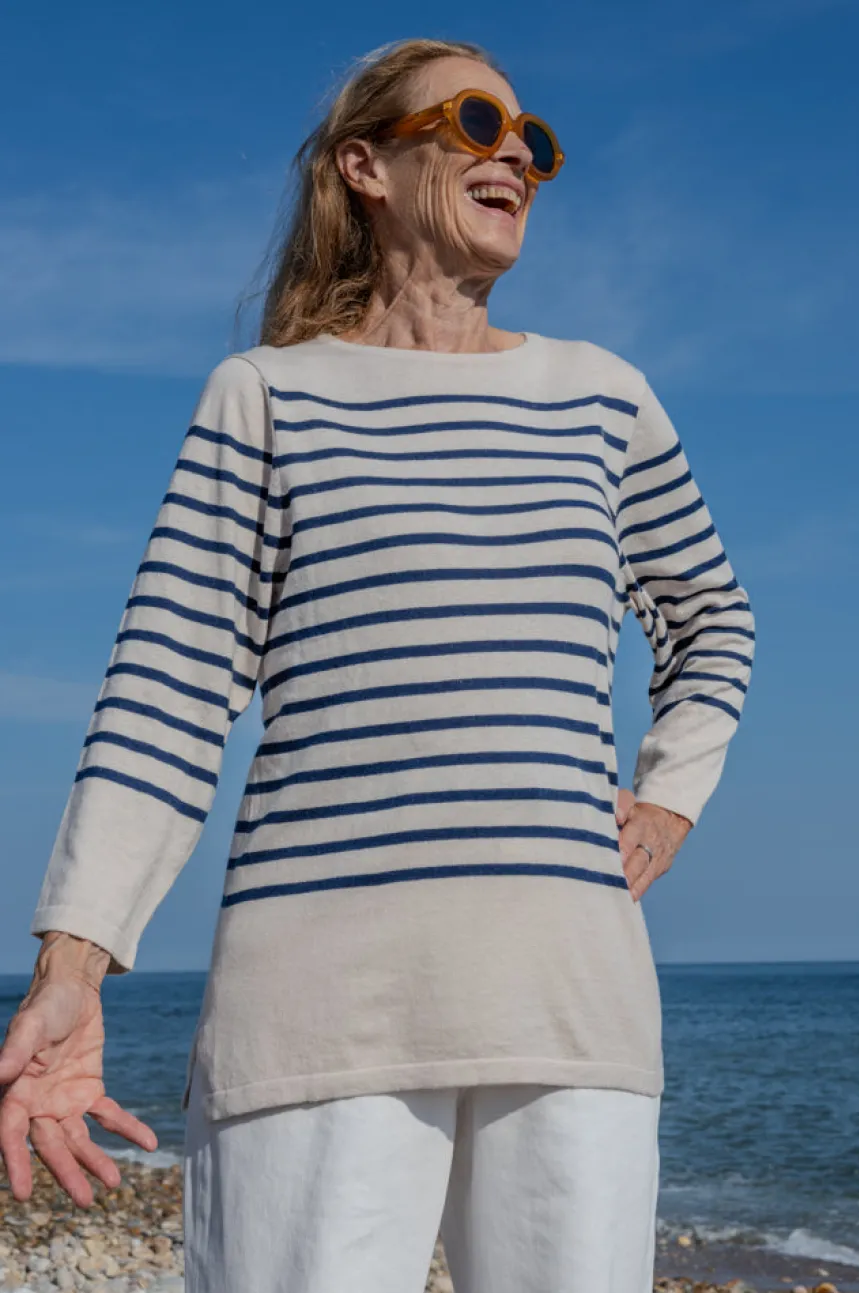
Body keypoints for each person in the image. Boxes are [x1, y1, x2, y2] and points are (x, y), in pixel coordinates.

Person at [0, 36, 755, 1293]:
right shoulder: (265, 396)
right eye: (474, 124)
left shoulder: (604, 397)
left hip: (570, 1005)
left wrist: (671, 793)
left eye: (532, 139)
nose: (516, 155)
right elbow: (165, 695)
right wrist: (72, 969)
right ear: (365, 167)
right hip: (317, 1011)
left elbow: (711, 616)